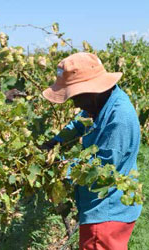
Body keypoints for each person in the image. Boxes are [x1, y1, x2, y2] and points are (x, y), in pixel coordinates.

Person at [42, 52, 142, 250]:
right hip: (105, 208)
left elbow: (99, 170)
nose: (75, 104)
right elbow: (80, 123)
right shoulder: (101, 102)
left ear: (91, 91)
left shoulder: (119, 118)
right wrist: (55, 142)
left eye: (75, 97)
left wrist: (57, 165)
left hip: (106, 214)